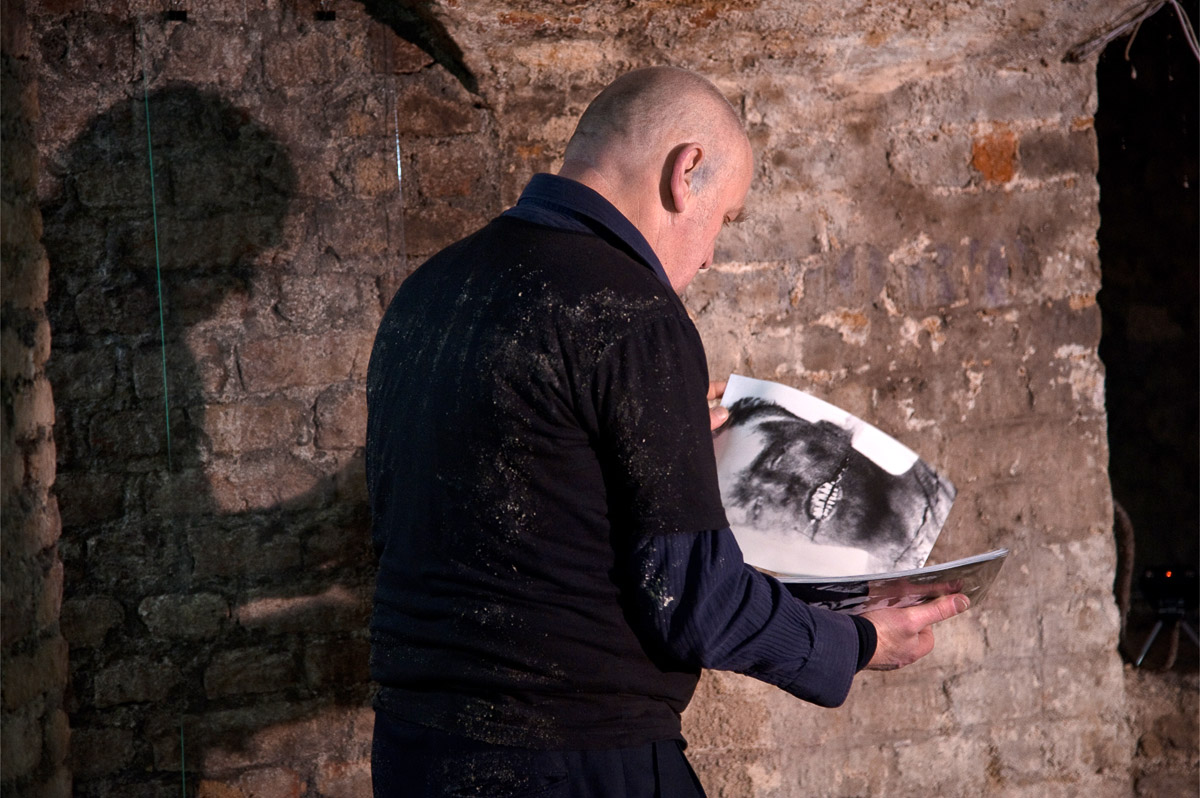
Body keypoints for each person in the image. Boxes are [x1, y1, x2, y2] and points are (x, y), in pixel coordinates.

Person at [365, 65, 968, 798]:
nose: (710, 254)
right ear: (687, 172)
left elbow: (489, 515)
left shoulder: (427, 293)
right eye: (725, 219)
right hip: (572, 760)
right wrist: (858, 640)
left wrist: (665, 453)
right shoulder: (630, 313)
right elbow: (693, 600)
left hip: (414, 755)